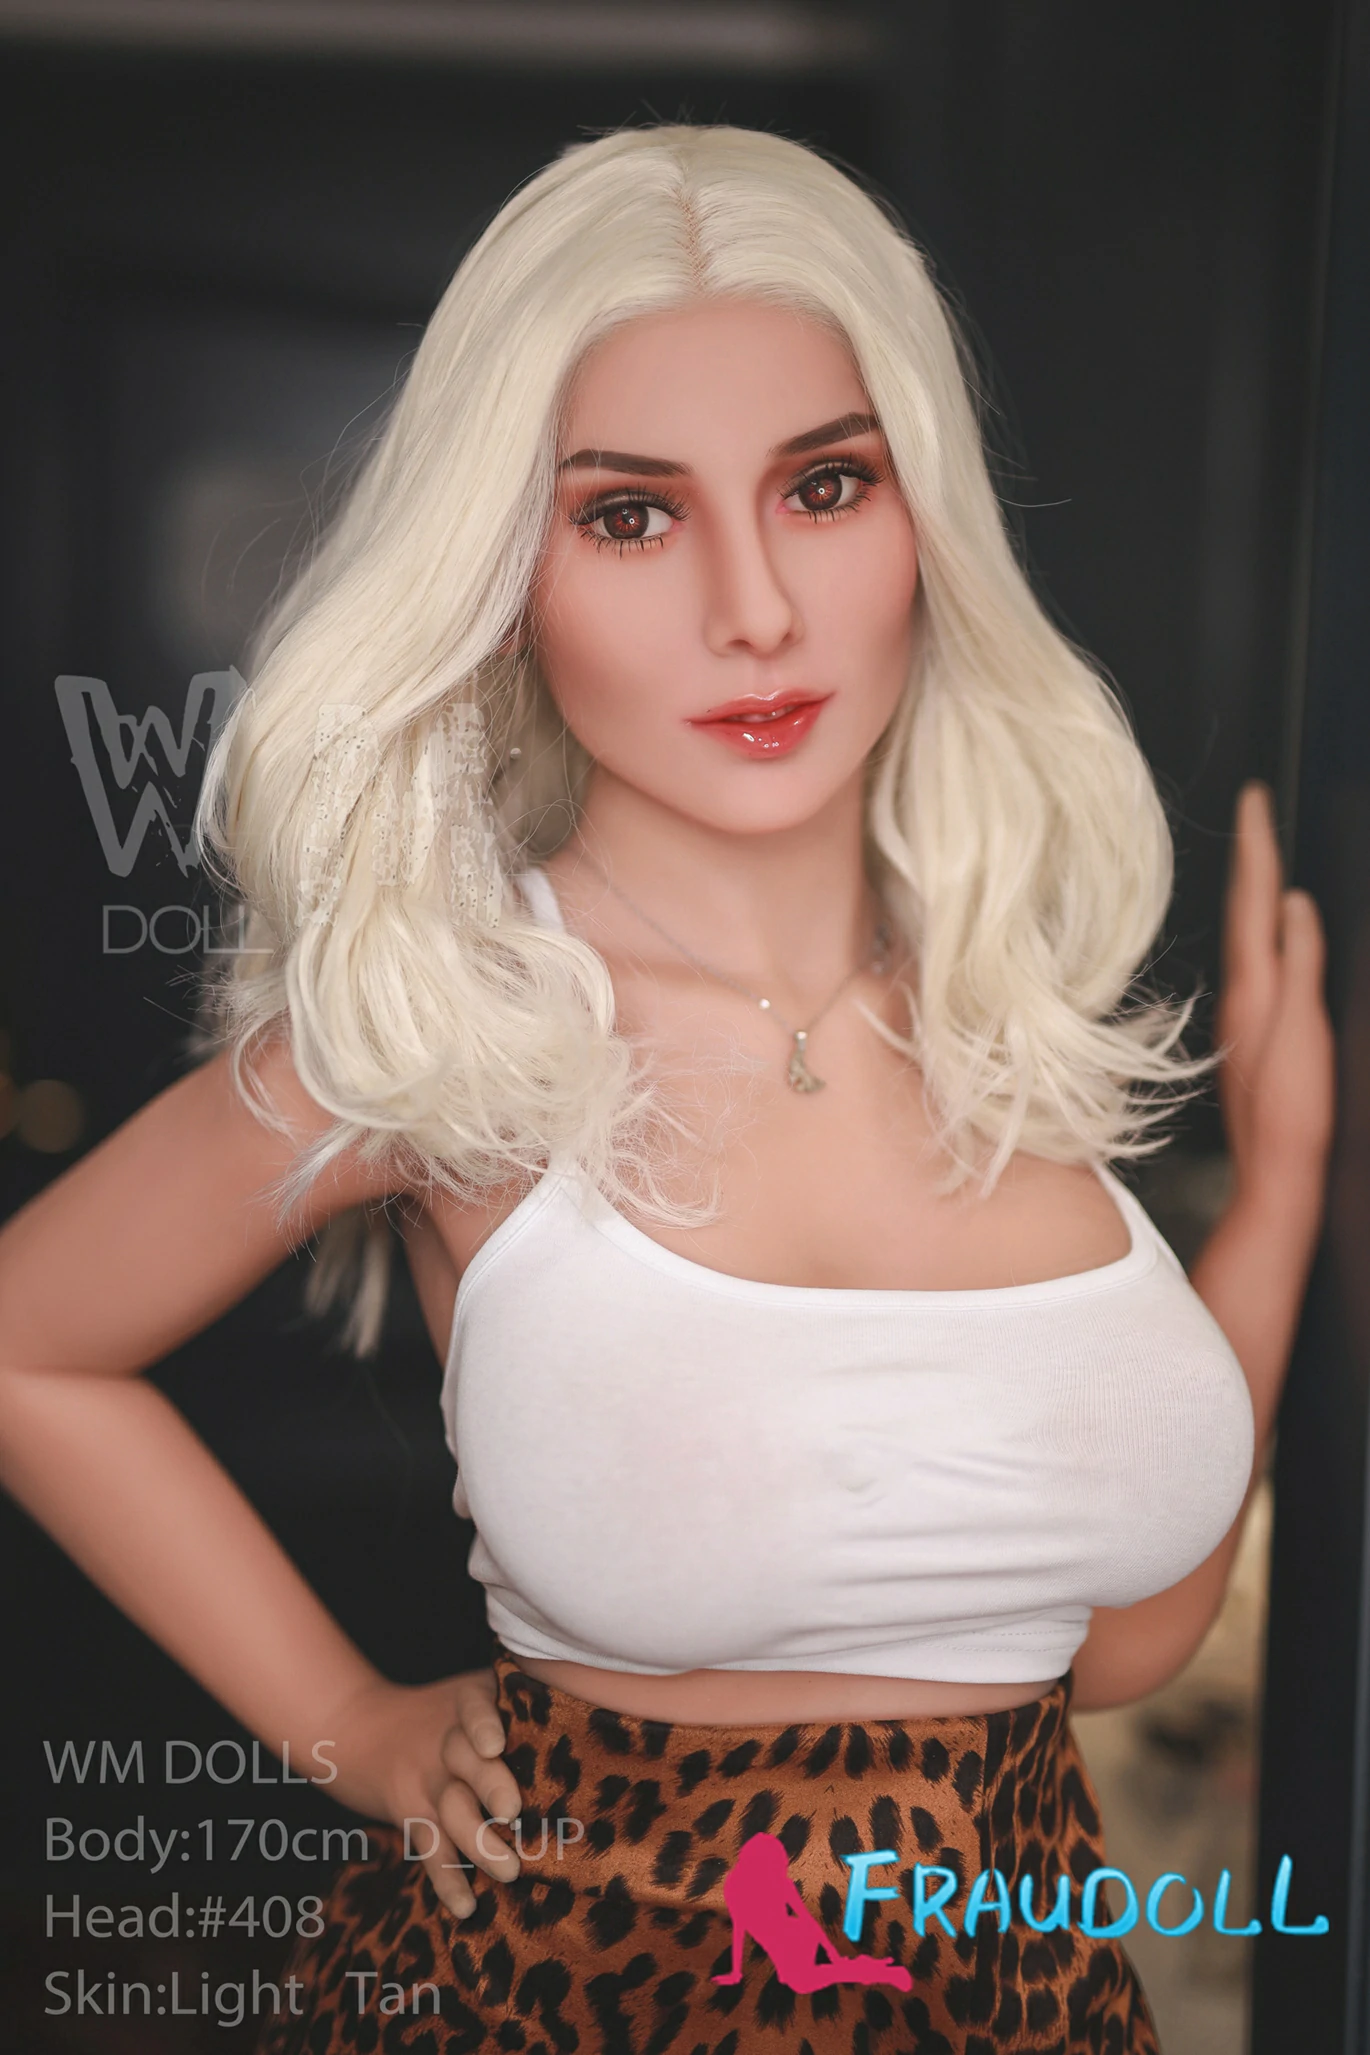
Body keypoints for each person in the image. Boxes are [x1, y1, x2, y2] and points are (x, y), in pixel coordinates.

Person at [0, 124, 1334, 2054]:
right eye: (629, 515)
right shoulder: (455, 1021)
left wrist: (1277, 1198)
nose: (754, 609)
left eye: (823, 485)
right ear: (505, 573)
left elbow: (1111, 1647)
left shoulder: (1009, 1014)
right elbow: (29, 1340)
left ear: (924, 517)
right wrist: (351, 1721)